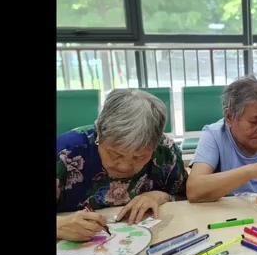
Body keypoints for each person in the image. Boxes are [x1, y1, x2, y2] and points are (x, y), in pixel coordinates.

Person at [56, 89, 187, 241]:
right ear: (100, 134)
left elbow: (185, 196)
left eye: (140, 157)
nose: (125, 166)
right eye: (115, 154)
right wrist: (59, 225)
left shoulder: (165, 151)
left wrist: (159, 196)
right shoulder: (66, 153)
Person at [186, 76, 257, 202]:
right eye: (254, 121)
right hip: (227, 216)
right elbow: (194, 190)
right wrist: (253, 170)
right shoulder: (214, 136)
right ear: (229, 117)